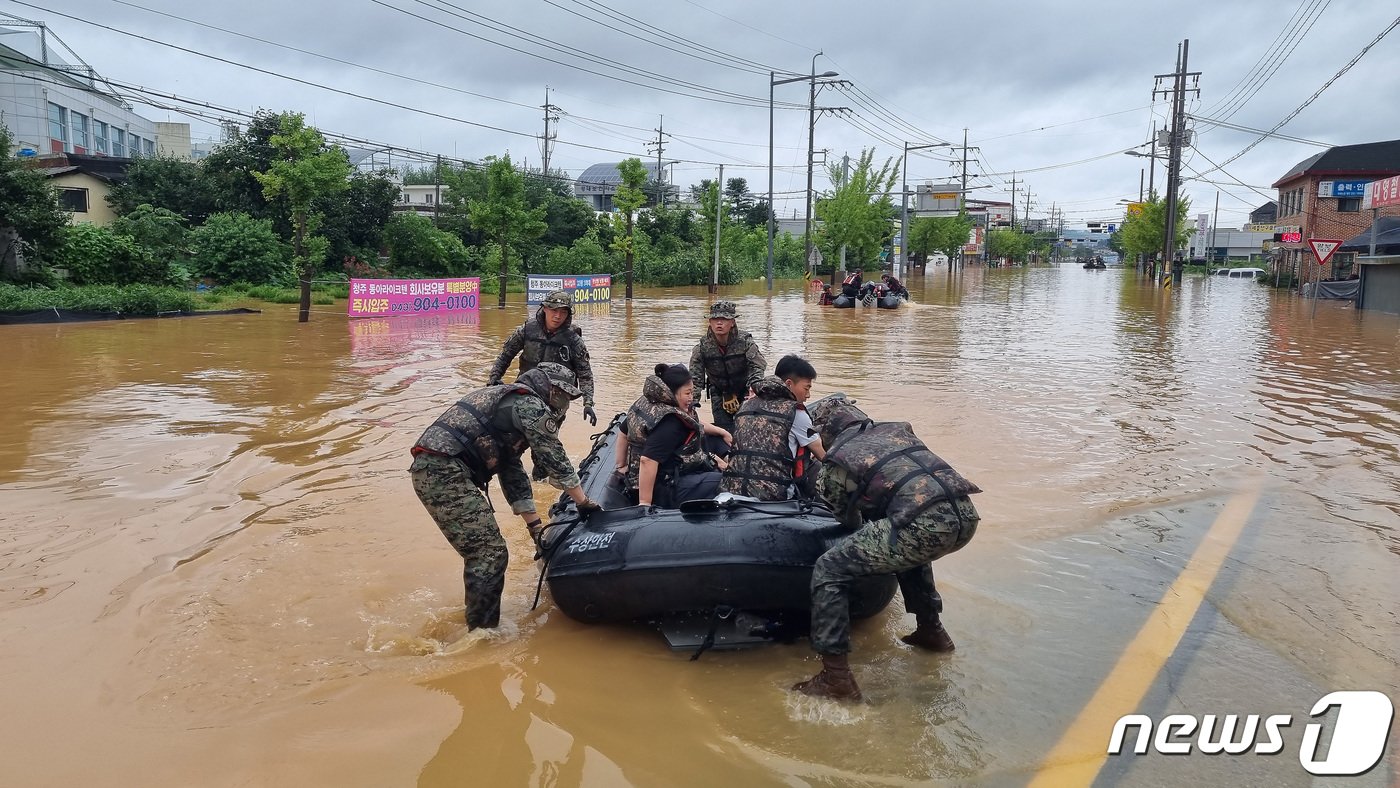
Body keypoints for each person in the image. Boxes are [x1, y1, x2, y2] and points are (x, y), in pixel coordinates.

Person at [793, 398, 983, 702]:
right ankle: (931, 631)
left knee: (830, 568)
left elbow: (846, 519)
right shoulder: (896, 432)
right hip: (965, 515)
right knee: (907, 545)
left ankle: (835, 678)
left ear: (826, 429)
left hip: (924, 525)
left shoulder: (837, 460)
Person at [409, 362, 602, 630]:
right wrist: (583, 501)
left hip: (436, 469)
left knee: (487, 552)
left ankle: (478, 619)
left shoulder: (509, 403)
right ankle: (482, 633)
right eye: (564, 395)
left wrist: (535, 528)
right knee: (489, 553)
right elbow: (553, 455)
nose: (564, 404)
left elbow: (511, 471)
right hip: (442, 470)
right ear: (549, 388)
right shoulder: (527, 403)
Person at [720, 355, 826, 501]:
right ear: (789, 384)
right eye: (806, 388)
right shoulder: (796, 412)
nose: (808, 395)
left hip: (731, 487)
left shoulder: (746, 405)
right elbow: (822, 456)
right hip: (773, 495)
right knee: (820, 467)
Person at [622, 363, 728, 508]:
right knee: (727, 479)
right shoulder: (671, 423)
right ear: (672, 392)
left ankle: (729, 461)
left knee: (715, 437)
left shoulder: (647, 403)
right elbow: (647, 460)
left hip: (647, 476)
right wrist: (644, 504)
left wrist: (620, 465)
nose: (691, 397)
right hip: (663, 487)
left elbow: (623, 431)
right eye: (687, 393)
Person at [489, 289, 597, 427]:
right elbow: (505, 356)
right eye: (554, 310)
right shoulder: (527, 330)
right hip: (526, 389)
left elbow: (585, 373)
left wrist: (588, 403)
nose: (558, 316)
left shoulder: (573, 340)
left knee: (544, 439)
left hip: (555, 399)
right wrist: (493, 380)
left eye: (563, 312)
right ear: (545, 308)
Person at [688, 301, 766, 434]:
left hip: (745, 390)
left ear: (732, 322)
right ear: (710, 322)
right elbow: (695, 379)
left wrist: (754, 388)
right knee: (723, 428)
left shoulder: (745, 342)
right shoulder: (702, 347)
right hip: (719, 390)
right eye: (715, 319)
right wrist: (690, 405)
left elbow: (757, 366)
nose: (719, 323)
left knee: (747, 427)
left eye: (724, 319)